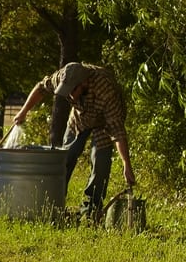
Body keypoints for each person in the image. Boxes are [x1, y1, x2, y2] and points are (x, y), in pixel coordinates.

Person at [12, 62, 135, 221]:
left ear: (83, 83)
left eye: (71, 90)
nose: (68, 95)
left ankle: (90, 212)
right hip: (79, 118)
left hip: (105, 122)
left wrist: (126, 164)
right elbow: (41, 88)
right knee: (65, 158)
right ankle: (53, 205)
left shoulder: (106, 91)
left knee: (100, 165)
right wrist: (23, 112)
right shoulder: (63, 77)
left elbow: (117, 131)